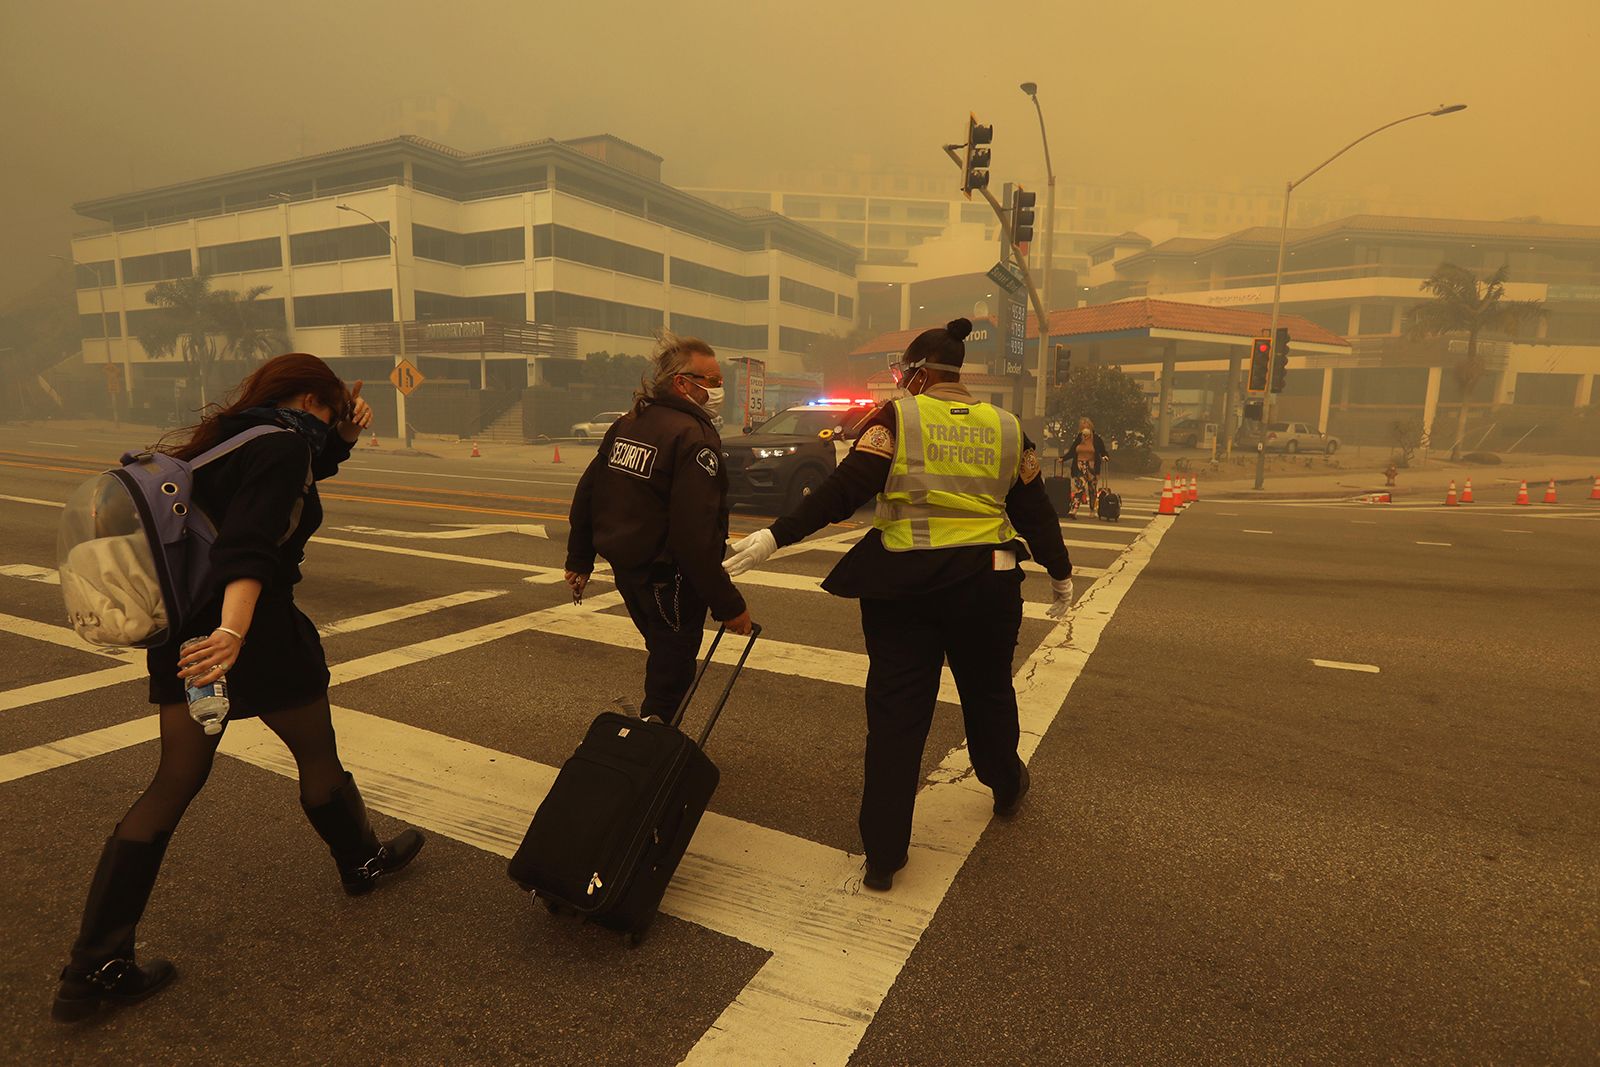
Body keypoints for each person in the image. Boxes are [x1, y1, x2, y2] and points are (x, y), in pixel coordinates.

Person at [52, 354, 426, 1023]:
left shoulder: (235, 438)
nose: (336, 419)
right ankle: (359, 859)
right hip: (253, 635)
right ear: (312, 398)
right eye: (334, 408)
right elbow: (252, 542)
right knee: (317, 754)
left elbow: (278, 495)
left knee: (173, 780)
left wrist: (341, 440)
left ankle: (94, 965)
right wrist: (233, 633)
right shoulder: (283, 446)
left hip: (185, 638)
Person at [722, 318, 1073, 891]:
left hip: (905, 589)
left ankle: (884, 855)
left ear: (917, 373)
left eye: (901, 372)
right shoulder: (1010, 429)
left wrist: (772, 539)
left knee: (896, 718)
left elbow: (844, 492)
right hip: (988, 584)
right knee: (987, 691)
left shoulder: (897, 418)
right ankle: (1005, 783)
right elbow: (1035, 510)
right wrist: (1059, 575)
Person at [565, 332, 755, 722]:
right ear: (683, 383)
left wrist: (580, 559)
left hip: (630, 571)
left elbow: (588, 492)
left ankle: (652, 739)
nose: (719, 389)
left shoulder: (631, 422)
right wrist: (729, 605)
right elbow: (695, 535)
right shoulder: (692, 437)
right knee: (672, 670)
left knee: (662, 652)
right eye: (712, 381)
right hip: (669, 579)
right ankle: (650, 750)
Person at [1064, 417, 1109, 518]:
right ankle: (1074, 509)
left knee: (1092, 489)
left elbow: (1102, 450)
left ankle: (1092, 509)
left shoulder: (1096, 439)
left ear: (1091, 428)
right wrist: (1063, 458)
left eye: (1087, 426)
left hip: (1092, 467)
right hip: (1079, 466)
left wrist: (1105, 456)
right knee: (1079, 487)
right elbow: (1072, 451)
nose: (1085, 429)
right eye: (1083, 427)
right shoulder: (1079, 438)